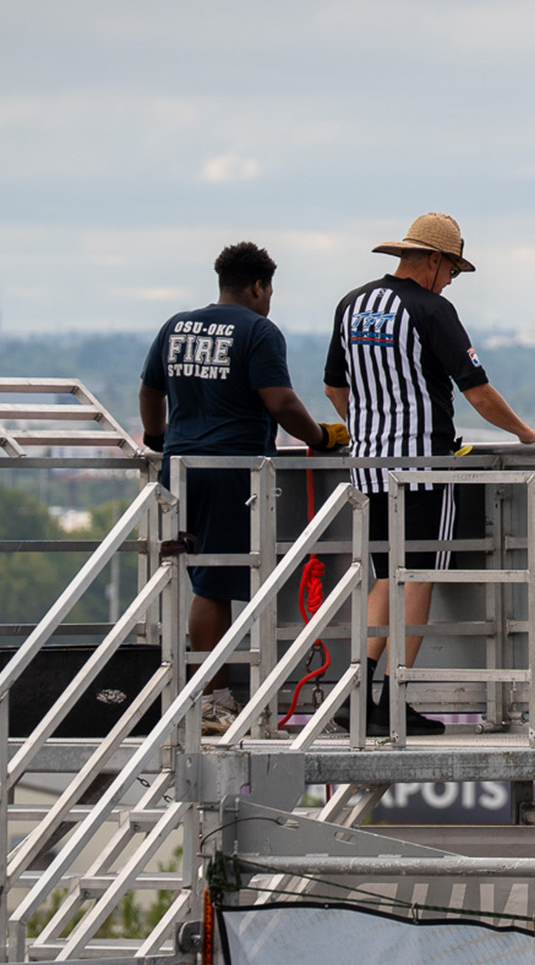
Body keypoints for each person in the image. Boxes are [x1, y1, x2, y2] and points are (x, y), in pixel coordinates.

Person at [325, 212, 535, 735]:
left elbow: (336, 388)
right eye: (452, 270)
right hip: (423, 467)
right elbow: (478, 391)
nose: (452, 281)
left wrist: (368, 427)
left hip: (368, 466)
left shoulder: (353, 304)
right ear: (433, 260)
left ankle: (352, 691)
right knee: (418, 577)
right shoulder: (434, 310)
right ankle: (393, 697)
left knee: (385, 576)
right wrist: (524, 433)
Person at [139, 241, 346, 735]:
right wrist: (320, 436)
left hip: (181, 469)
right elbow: (280, 401)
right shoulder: (259, 330)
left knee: (207, 577)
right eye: (268, 290)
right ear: (258, 286)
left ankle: (208, 694)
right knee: (217, 584)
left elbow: (150, 391)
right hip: (234, 469)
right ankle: (208, 699)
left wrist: (157, 440)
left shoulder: (177, 326)